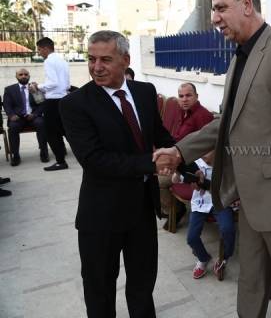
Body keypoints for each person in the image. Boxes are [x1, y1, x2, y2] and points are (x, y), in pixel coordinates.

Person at [153, 0, 271, 318]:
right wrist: (180, 151)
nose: (214, 18)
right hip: (248, 198)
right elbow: (225, 123)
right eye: (213, 10)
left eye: (220, 8)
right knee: (251, 281)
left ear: (247, 5)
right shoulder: (239, 58)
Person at [59, 30, 175, 317]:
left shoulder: (145, 92)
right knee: (99, 289)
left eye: (106, 60)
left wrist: (186, 160)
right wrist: (151, 164)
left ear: (126, 60)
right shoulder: (74, 104)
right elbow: (94, 160)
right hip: (101, 215)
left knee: (142, 284)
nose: (96, 67)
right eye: (91, 59)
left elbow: (161, 136)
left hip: (142, 210)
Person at [159, 82, 214, 229]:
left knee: (159, 181)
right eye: (181, 96)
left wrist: (180, 167)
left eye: (188, 95)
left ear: (196, 96)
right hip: (178, 159)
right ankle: (173, 209)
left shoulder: (203, 116)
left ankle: (177, 210)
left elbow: (208, 150)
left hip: (191, 165)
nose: (184, 99)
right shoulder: (184, 113)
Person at [174, 151, 236, 280]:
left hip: (221, 203)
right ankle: (203, 258)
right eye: (203, 150)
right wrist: (177, 174)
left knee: (228, 229)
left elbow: (234, 185)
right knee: (191, 237)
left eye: (208, 150)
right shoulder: (195, 165)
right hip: (200, 204)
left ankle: (224, 257)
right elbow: (176, 179)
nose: (204, 154)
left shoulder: (225, 165)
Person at [32, 37, 70, 171]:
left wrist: (38, 86)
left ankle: (60, 162)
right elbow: (66, 84)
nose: (39, 53)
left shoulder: (49, 61)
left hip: (53, 101)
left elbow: (53, 83)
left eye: (39, 50)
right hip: (63, 98)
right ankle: (84, 156)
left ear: (45, 48)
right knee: (66, 130)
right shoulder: (62, 60)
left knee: (51, 133)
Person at [3, 68, 48, 166]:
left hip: (33, 116)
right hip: (18, 117)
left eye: (26, 74)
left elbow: (42, 104)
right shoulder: (9, 89)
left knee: (41, 123)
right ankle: (15, 155)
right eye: (21, 74)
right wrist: (11, 115)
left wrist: (35, 114)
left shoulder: (34, 87)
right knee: (13, 127)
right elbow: (7, 105)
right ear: (16, 76)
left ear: (29, 76)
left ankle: (43, 152)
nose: (23, 76)